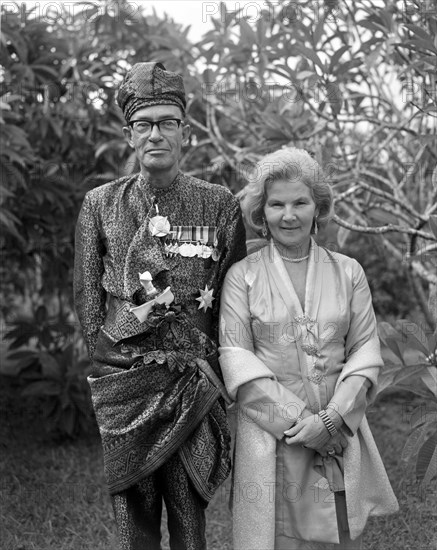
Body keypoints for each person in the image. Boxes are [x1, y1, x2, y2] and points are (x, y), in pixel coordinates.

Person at [74, 61, 246, 550]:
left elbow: (233, 301)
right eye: (144, 124)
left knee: (189, 510)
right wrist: (107, 364)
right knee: (136, 513)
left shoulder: (219, 204)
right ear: (129, 134)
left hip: (193, 381)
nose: (155, 134)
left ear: (183, 131)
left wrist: (220, 373)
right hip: (124, 380)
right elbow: (88, 299)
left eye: (167, 122)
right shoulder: (100, 204)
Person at [218, 147, 398, 550]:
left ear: (318, 207)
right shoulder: (241, 277)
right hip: (271, 434)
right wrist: (303, 425)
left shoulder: (349, 271)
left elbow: (366, 351)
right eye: (276, 204)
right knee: (275, 537)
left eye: (300, 202)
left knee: (337, 532)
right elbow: (236, 361)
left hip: (339, 432)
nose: (289, 215)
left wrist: (333, 421)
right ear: (260, 213)